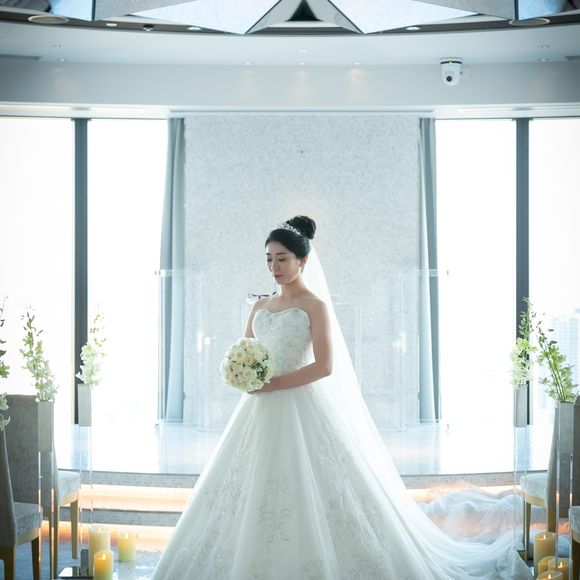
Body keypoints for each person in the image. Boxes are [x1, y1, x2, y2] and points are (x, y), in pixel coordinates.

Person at [152, 216, 530, 579]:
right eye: (269, 259)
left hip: (298, 403)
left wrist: (274, 384)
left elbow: (324, 366)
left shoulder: (314, 306)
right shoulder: (259, 307)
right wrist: (242, 372)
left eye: (282, 259)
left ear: (302, 260)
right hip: (256, 408)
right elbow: (247, 350)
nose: (274, 267)